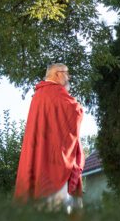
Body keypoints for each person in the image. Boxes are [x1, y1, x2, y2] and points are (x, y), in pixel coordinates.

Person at [14, 63, 84, 211]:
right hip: (54, 163)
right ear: (57, 74)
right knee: (58, 210)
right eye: (66, 73)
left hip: (39, 155)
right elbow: (75, 112)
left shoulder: (38, 95)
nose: (68, 77)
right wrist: (78, 106)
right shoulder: (56, 92)